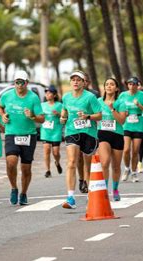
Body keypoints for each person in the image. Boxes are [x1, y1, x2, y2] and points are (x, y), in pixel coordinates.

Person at [0, 71, 45, 205]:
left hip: (29, 135)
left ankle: (23, 193)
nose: (19, 85)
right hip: (12, 133)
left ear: (26, 83)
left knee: (25, 168)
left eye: (22, 82)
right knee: (11, 162)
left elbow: (42, 118)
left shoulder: (33, 98)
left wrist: (33, 116)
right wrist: (2, 115)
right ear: (14, 83)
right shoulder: (7, 96)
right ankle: (14, 188)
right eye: (17, 82)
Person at [60, 71, 102, 209]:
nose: (75, 82)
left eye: (79, 80)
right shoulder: (66, 97)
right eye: (73, 80)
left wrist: (88, 116)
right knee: (71, 162)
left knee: (87, 164)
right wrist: (63, 118)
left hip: (89, 132)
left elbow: (99, 115)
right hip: (72, 131)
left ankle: (91, 193)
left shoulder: (90, 97)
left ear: (84, 82)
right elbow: (64, 111)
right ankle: (70, 198)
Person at [120, 77, 143, 182]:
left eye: (133, 84)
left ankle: (134, 172)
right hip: (127, 124)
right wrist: (123, 112)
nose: (131, 86)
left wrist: (139, 105)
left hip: (139, 125)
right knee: (126, 150)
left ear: (137, 85)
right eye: (129, 84)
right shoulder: (123, 95)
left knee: (135, 151)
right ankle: (127, 169)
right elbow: (118, 107)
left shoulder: (142, 96)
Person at [97, 78, 127, 201]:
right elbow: (94, 115)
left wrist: (112, 109)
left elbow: (121, 120)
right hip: (103, 133)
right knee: (104, 162)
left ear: (116, 88)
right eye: (107, 84)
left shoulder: (121, 102)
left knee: (116, 166)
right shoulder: (98, 101)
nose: (109, 86)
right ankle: (104, 190)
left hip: (117, 135)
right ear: (104, 88)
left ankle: (115, 189)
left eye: (112, 84)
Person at [40, 86, 63, 178]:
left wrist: (58, 114)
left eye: (49, 93)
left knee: (56, 152)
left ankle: (57, 162)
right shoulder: (42, 105)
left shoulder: (59, 105)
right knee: (46, 150)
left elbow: (65, 115)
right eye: (46, 93)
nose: (47, 95)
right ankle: (48, 170)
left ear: (54, 95)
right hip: (45, 131)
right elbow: (38, 115)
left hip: (56, 131)